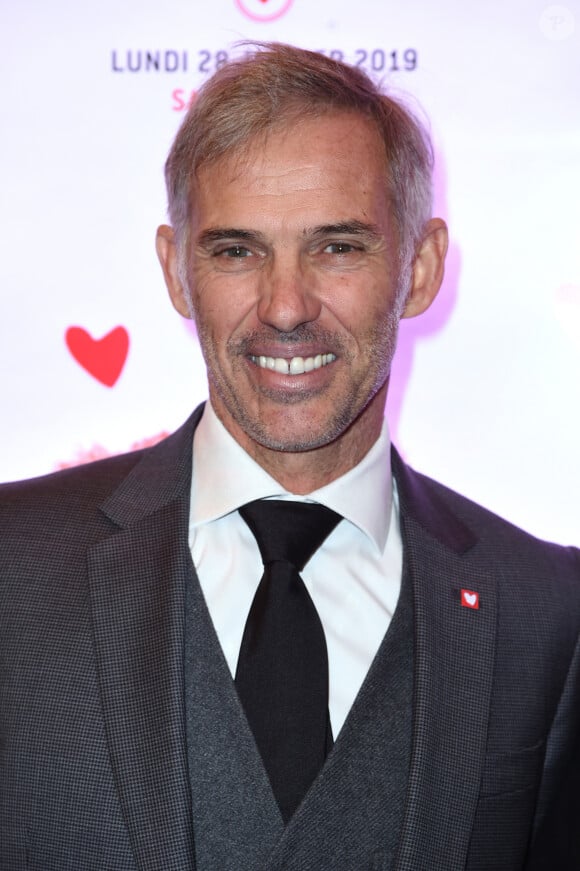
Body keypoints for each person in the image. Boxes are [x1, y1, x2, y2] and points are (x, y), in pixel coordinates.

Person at [1, 42, 579, 871]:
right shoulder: (11, 566)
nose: (284, 306)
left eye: (337, 247)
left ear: (419, 266)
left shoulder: (546, 615)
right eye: (236, 250)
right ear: (177, 272)